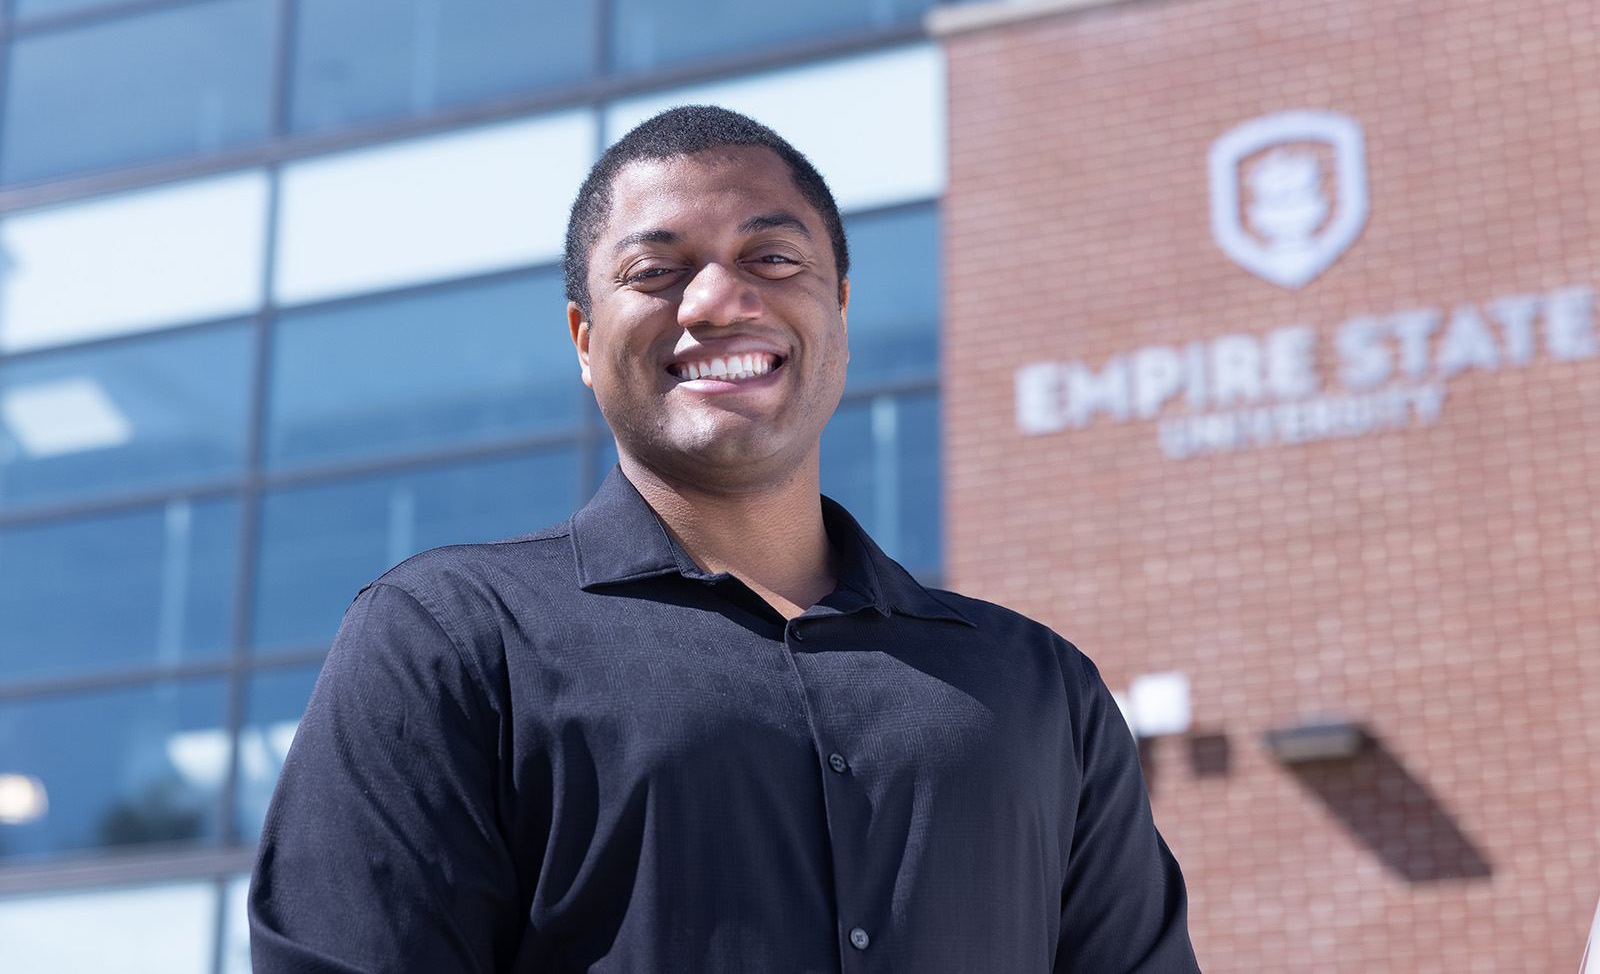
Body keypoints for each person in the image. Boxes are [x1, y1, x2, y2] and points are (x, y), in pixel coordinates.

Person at [248, 106, 1201, 973]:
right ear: (584, 340)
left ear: (838, 317)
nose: (716, 300)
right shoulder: (448, 640)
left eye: (773, 260)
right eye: (655, 272)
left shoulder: (1040, 687)